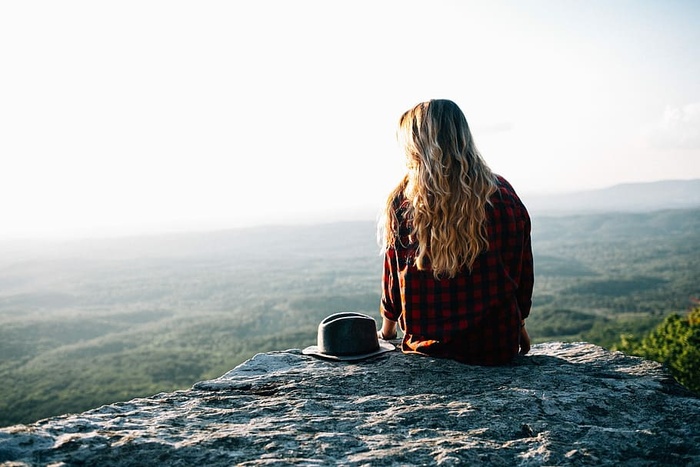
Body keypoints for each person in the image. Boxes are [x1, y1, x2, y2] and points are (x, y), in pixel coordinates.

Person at [378, 99, 533, 366]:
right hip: (495, 346)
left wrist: (387, 333)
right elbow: (519, 272)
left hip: (427, 350)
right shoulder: (502, 194)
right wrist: (518, 327)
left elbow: (394, 281)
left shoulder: (403, 201)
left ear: (415, 146)